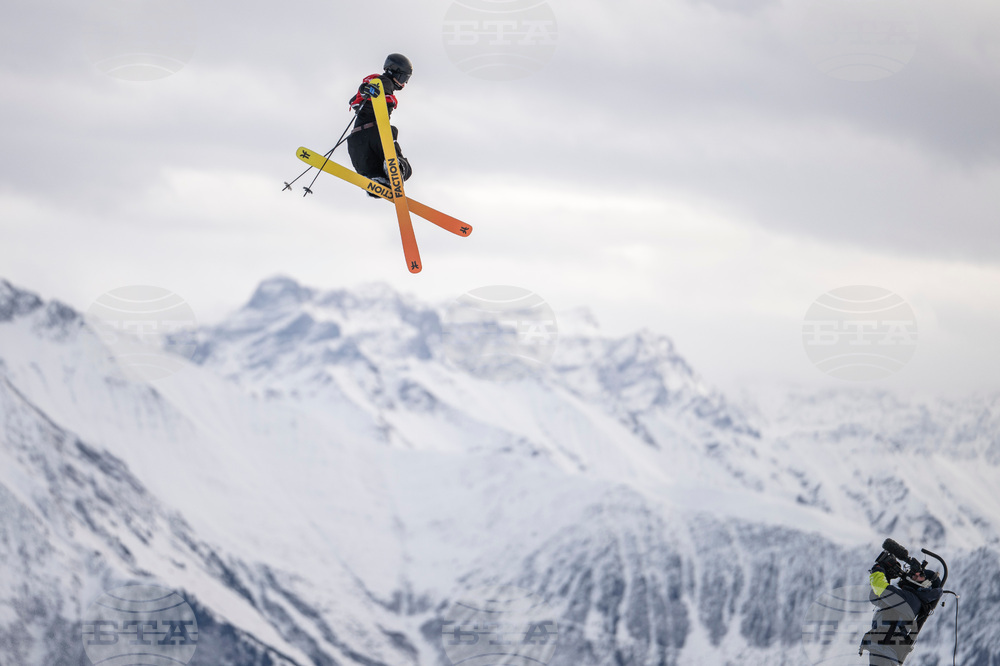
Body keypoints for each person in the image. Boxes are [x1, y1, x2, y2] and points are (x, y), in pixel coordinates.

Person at [346, 53, 414, 195]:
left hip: (356, 142)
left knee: (372, 172)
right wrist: (367, 90)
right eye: (403, 78)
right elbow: (367, 87)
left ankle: (377, 183)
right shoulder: (384, 81)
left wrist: (366, 91)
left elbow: (356, 98)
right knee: (407, 170)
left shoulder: (375, 82)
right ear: (393, 71)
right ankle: (397, 166)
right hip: (376, 134)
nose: (404, 83)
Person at [861, 562, 943, 665]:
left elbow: (880, 588)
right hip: (884, 651)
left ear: (927, 585)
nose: (916, 574)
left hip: (885, 652)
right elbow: (875, 596)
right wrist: (886, 576)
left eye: (921, 575)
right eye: (918, 572)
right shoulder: (909, 598)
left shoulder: (910, 600)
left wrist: (879, 570)